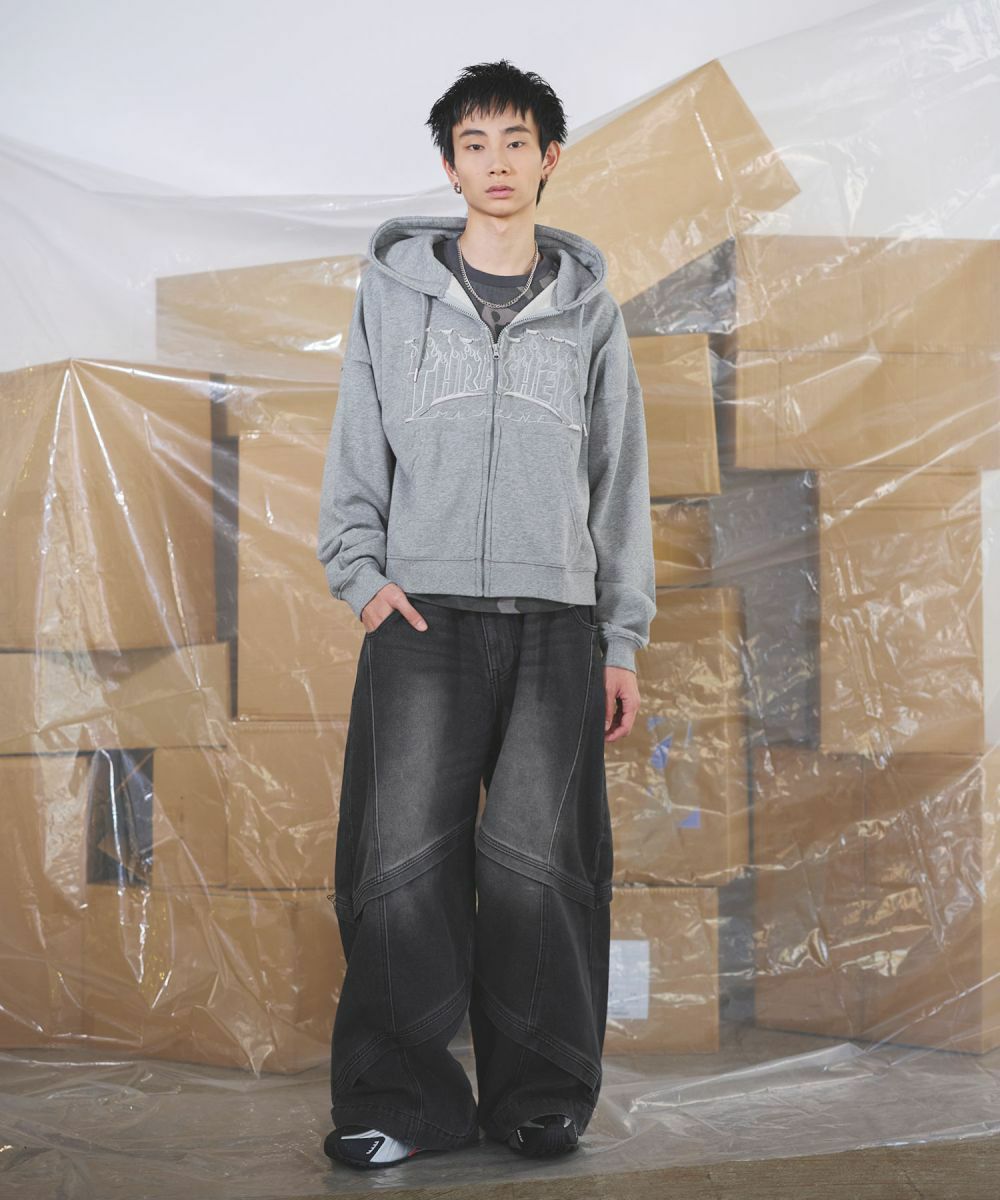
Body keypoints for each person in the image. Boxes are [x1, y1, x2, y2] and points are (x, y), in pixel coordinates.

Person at [316, 58, 656, 1170]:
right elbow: (356, 445)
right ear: (449, 164)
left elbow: (617, 481)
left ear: (549, 159)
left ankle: (538, 1099)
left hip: (558, 620)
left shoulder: (590, 311)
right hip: (421, 620)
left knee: (538, 866)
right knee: (400, 864)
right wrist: (362, 577)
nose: (496, 162)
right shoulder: (391, 296)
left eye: (517, 141)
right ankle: (402, 1102)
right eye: (475, 143)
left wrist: (620, 638)